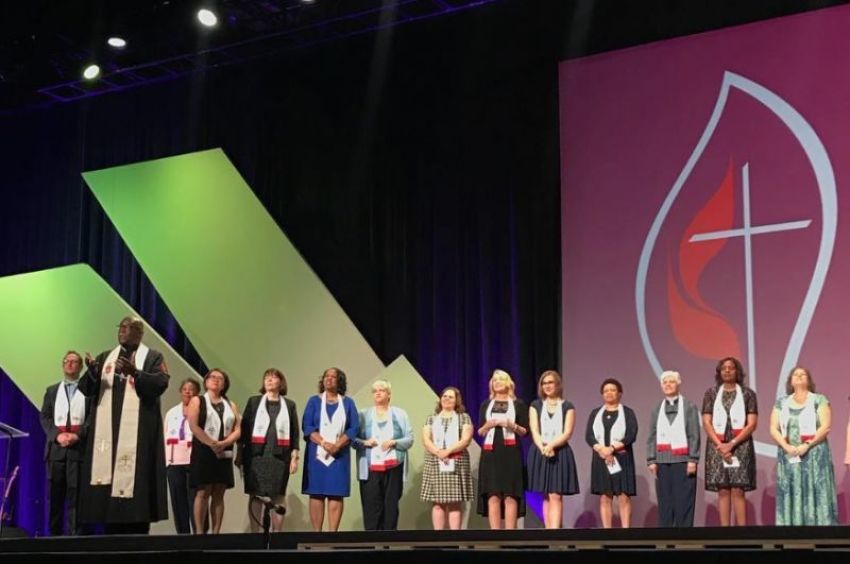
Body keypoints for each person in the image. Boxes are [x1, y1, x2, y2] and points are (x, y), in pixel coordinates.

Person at [77, 316, 170, 534]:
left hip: (139, 435)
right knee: (106, 482)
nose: (122, 331)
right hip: (107, 435)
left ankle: (137, 533)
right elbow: (85, 389)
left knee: (137, 482)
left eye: (128, 328)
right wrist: (92, 372)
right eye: (121, 327)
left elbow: (161, 383)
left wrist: (135, 373)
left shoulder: (153, 357)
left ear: (140, 332)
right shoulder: (105, 358)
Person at [769, 367, 837, 525]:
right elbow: (773, 428)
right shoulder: (781, 403)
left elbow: (825, 426)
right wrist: (786, 446)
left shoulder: (819, 400)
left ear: (809, 380)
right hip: (790, 454)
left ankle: (822, 534)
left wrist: (807, 445)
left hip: (814, 454)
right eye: (795, 374)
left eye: (803, 374)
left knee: (815, 491)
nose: (799, 376)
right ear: (790, 381)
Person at [238, 368, 300, 532]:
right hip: (256, 456)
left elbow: (294, 433)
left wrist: (295, 457)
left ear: (281, 382)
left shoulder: (289, 405)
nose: (269, 380)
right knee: (256, 495)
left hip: (280, 457)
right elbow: (244, 431)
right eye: (266, 377)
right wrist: (239, 455)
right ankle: (254, 535)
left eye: (273, 377)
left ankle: (277, 534)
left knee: (278, 495)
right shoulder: (253, 402)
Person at [39, 351, 92, 536]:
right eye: (67, 361)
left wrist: (77, 435)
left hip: (78, 452)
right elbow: (45, 417)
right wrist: (57, 436)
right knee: (55, 497)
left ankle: (74, 538)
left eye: (74, 361)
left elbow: (91, 419)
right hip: (56, 452)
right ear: (63, 365)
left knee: (75, 497)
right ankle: (53, 538)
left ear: (80, 367)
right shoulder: (52, 391)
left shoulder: (88, 391)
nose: (70, 364)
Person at [301, 367, 359, 532]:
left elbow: (353, 428)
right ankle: (317, 535)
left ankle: (332, 535)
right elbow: (307, 426)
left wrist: (337, 445)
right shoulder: (313, 401)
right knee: (316, 492)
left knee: (336, 492)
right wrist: (324, 443)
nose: (329, 379)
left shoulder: (348, 403)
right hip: (316, 454)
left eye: (333, 377)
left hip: (339, 455)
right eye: (326, 376)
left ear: (339, 381)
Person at [701, 357, 757, 526]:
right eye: (723, 368)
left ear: (737, 371)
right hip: (717, 445)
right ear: (719, 372)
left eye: (731, 368)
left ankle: (741, 533)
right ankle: (724, 533)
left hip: (741, 445)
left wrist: (731, 444)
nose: (727, 370)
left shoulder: (748, 394)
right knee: (723, 490)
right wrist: (720, 444)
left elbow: (752, 423)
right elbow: (706, 422)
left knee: (738, 489)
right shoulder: (711, 393)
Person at [353, 379, 414, 530]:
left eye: (382, 390)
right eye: (375, 391)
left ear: (389, 395)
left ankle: (389, 543)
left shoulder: (400, 414)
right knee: (371, 507)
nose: (378, 393)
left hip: (393, 466)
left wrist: (394, 442)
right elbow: (352, 439)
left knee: (391, 506)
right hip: (370, 468)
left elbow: (410, 439)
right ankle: (373, 544)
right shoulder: (363, 415)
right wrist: (365, 442)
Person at [188, 368, 241, 534]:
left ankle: (216, 533)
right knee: (203, 492)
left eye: (220, 378)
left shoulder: (230, 404)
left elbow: (238, 429)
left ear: (225, 384)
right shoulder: (197, 401)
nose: (216, 380)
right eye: (212, 377)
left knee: (219, 493)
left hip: (224, 452)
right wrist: (212, 444)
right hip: (204, 451)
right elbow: (194, 426)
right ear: (206, 381)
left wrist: (224, 443)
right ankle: (199, 532)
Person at [645, 370, 700, 527]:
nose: (668, 385)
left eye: (671, 381)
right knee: (665, 501)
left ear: (678, 383)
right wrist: (651, 460)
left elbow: (694, 434)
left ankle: (684, 538)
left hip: (683, 461)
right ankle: (665, 539)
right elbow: (652, 435)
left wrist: (693, 459)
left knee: (684, 500)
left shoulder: (689, 406)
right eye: (665, 382)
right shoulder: (657, 408)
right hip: (662, 461)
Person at [527, 370, 579, 529]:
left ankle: (555, 534)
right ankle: (548, 532)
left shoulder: (567, 406)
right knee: (545, 495)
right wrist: (542, 446)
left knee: (556, 495)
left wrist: (551, 445)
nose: (547, 386)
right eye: (544, 383)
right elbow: (534, 429)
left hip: (560, 452)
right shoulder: (536, 405)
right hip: (540, 451)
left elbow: (568, 432)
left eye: (550, 382)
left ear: (557, 385)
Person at [476, 369, 528, 529]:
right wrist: (487, 425)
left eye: (501, 379)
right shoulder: (486, 404)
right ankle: (495, 536)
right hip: (490, 453)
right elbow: (480, 431)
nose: (497, 382)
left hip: (511, 453)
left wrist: (513, 425)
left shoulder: (518, 404)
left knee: (510, 494)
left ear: (509, 383)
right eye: (495, 380)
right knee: (493, 494)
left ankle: (510, 536)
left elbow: (525, 432)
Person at [585, 378, 638, 528]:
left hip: (622, 458)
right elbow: (589, 436)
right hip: (601, 458)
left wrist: (612, 449)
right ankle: (607, 532)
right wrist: (602, 449)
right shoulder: (595, 413)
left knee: (623, 496)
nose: (609, 393)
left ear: (620, 393)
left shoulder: (628, 413)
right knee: (605, 496)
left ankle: (625, 532)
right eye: (606, 390)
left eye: (613, 390)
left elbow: (631, 435)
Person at [420, 386, 474, 530]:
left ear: (457, 401)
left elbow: (466, 439)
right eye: (444, 396)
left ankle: (454, 539)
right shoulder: (431, 418)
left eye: (451, 397)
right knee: (437, 503)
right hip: (435, 462)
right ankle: (439, 537)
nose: (447, 399)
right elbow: (426, 440)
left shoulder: (464, 417)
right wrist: (439, 452)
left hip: (456, 461)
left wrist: (448, 451)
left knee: (455, 503)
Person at [163, 378, 201, 534]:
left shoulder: (201, 411)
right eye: (184, 388)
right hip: (174, 461)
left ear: (197, 393)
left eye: (191, 389)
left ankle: (199, 534)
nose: (187, 391)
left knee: (196, 500)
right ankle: (182, 536)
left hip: (194, 460)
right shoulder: (171, 412)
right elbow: (165, 435)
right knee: (178, 501)